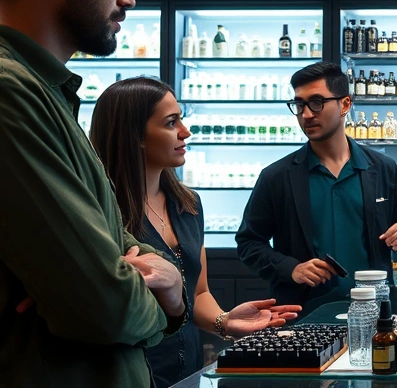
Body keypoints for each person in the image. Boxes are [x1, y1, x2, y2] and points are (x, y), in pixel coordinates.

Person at [0, 0, 186, 387]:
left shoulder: (43, 90)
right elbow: (102, 305)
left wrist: (163, 281)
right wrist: (156, 291)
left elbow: (112, 253)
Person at [89, 77, 301, 387]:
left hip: (188, 368)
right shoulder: (102, 211)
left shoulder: (187, 204)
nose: (185, 132)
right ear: (135, 135)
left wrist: (225, 321)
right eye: (171, 122)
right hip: (126, 372)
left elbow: (198, 292)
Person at [236, 62, 397, 315]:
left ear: (345, 104)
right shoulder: (276, 177)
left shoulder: (383, 168)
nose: (306, 114)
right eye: (299, 105)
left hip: (376, 311)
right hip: (302, 313)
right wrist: (291, 268)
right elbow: (249, 242)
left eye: (316, 102)